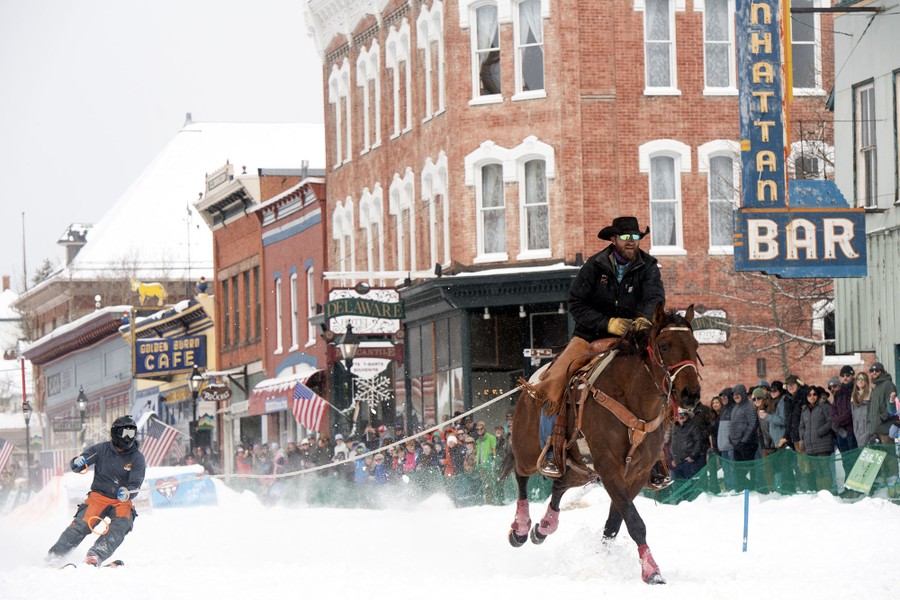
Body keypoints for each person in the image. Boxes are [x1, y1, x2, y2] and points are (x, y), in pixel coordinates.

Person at [532, 216, 665, 479]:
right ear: (613, 239)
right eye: (626, 237)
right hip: (589, 337)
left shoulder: (649, 266)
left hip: (633, 337)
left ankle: (656, 459)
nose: (631, 242)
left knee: (660, 380)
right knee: (557, 378)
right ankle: (551, 448)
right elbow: (576, 304)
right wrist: (608, 323)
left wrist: (644, 318)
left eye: (635, 237)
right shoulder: (594, 265)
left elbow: (655, 297)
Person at [46, 416, 145, 567]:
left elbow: (136, 483)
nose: (127, 438)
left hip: (121, 500)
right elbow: (79, 464)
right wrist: (77, 462)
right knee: (82, 524)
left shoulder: (136, 457)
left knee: (123, 523)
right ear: (116, 433)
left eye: (131, 434)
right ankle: (56, 556)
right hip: (99, 496)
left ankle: (95, 555)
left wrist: (129, 492)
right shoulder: (101, 450)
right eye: (125, 433)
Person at [669, 409, 707, 480]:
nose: (681, 416)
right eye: (679, 414)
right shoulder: (675, 427)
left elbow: (699, 441)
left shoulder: (694, 426)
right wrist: (672, 458)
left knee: (693, 484)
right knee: (681, 486)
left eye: (683, 414)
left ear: (688, 416)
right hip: (678, 463)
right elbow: (672, 444)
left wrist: (693, 456)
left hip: (690, 462)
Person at [870, 362, 899, 444]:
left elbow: (893, 406)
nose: (874, 372)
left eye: (877, 370)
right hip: (876, 431)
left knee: (889, 456)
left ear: (882, 372)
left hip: (886, 430)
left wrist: (882, 418)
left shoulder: (888, 385)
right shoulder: (876, 387)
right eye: (872, 371)